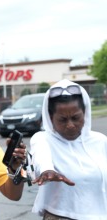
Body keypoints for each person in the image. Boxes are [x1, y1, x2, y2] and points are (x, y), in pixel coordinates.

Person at [30, 79, 107, 219]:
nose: (70, 125)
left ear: (85, 113)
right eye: (62, 120)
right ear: (50, 118)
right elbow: (41, 156)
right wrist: (47, 169)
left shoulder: (100, 141)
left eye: (76, 118)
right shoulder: (43, 139)